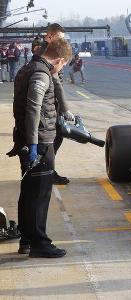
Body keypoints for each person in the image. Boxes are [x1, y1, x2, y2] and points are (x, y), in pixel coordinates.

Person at [12, 38, 72, 258]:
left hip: (25, 138)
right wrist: (35, 144)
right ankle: (39, 243)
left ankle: (27, 239)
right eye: (63, 65)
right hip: (39, 142)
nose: (61, 68)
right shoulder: (41, 73)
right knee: (39, 193)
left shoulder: (27, 68)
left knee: (28, 191)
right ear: (58, 59)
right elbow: (33, 109)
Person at [33, 23, 74, 185]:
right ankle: (46, 171)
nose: (62, 43)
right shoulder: (45, 54)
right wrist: (65, 109)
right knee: (52, 139)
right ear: (49, 37)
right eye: (59, 38)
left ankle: (47, 169)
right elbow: (56, 83)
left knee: (56, 138)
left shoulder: (47, 51)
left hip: (51, 102)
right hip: (48, 105)